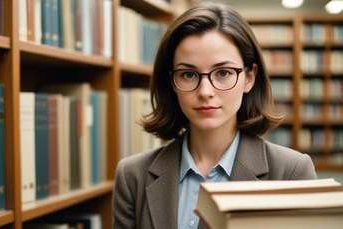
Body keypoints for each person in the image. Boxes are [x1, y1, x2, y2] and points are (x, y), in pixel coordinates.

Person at [112, 2, 317, 229]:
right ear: (172, 82)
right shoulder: (132, 175)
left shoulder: (291, 172)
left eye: (223, 73)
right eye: (188, 74)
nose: (205, 92)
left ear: (249, 77)